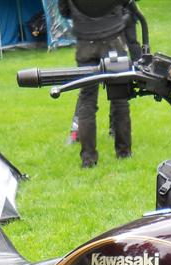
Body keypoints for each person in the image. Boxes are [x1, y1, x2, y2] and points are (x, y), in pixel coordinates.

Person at [58, 0, 133, 168]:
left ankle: (88, 158)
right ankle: (124, 152)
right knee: (120, 96)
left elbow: (64, 10)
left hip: (85, 42)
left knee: (87, 100)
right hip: (113, 38)